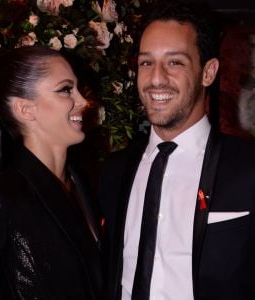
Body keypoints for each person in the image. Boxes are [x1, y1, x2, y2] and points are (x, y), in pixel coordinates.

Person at [99, 1, 255, 299]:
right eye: (146, 62)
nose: (156, 79)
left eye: (175, 62)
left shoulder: (248, 168)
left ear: (208, 72)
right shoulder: (114, 171)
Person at [0, 45, 103, 299]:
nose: (82, 101)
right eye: (66, 90)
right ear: (25, 109)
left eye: (77, 88)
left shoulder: (82, 183)